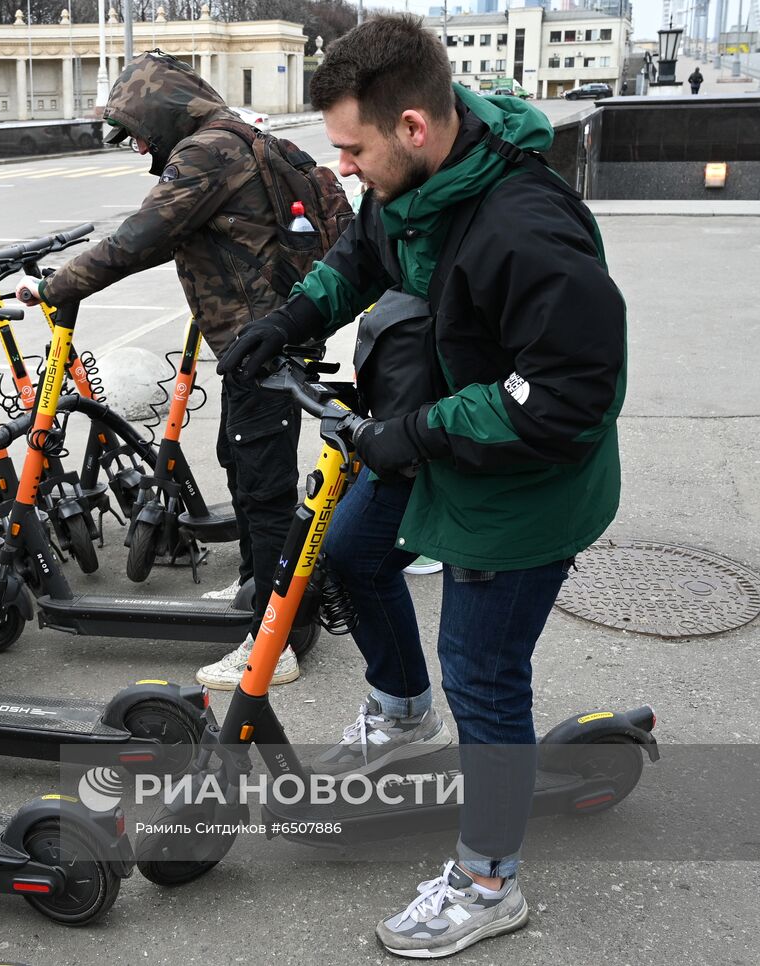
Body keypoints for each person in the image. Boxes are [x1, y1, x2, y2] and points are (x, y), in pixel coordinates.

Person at [220, 14, 626, 958]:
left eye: (353, 149)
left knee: (484, 678)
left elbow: (565, 398)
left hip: (526, 480)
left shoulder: (527, 227)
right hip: (442, 443)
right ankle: (403, 710)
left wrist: (411, 431)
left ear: (412, 126)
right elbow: (364, 256)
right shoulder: (414, 185)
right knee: (356, 551)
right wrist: (286, 321)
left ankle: (489, 882)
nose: (346, 168)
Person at [16, 50, 304, 689]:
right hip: (251, 337)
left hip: (260, 338)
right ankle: (258, 588)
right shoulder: (228, 136)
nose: (139, 144)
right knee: (245, 465)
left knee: (264, 481)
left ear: (162, 113)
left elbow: (139, 238)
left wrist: (57, 286)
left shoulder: (207, 152)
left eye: (139, 130)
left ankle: (276, 641)